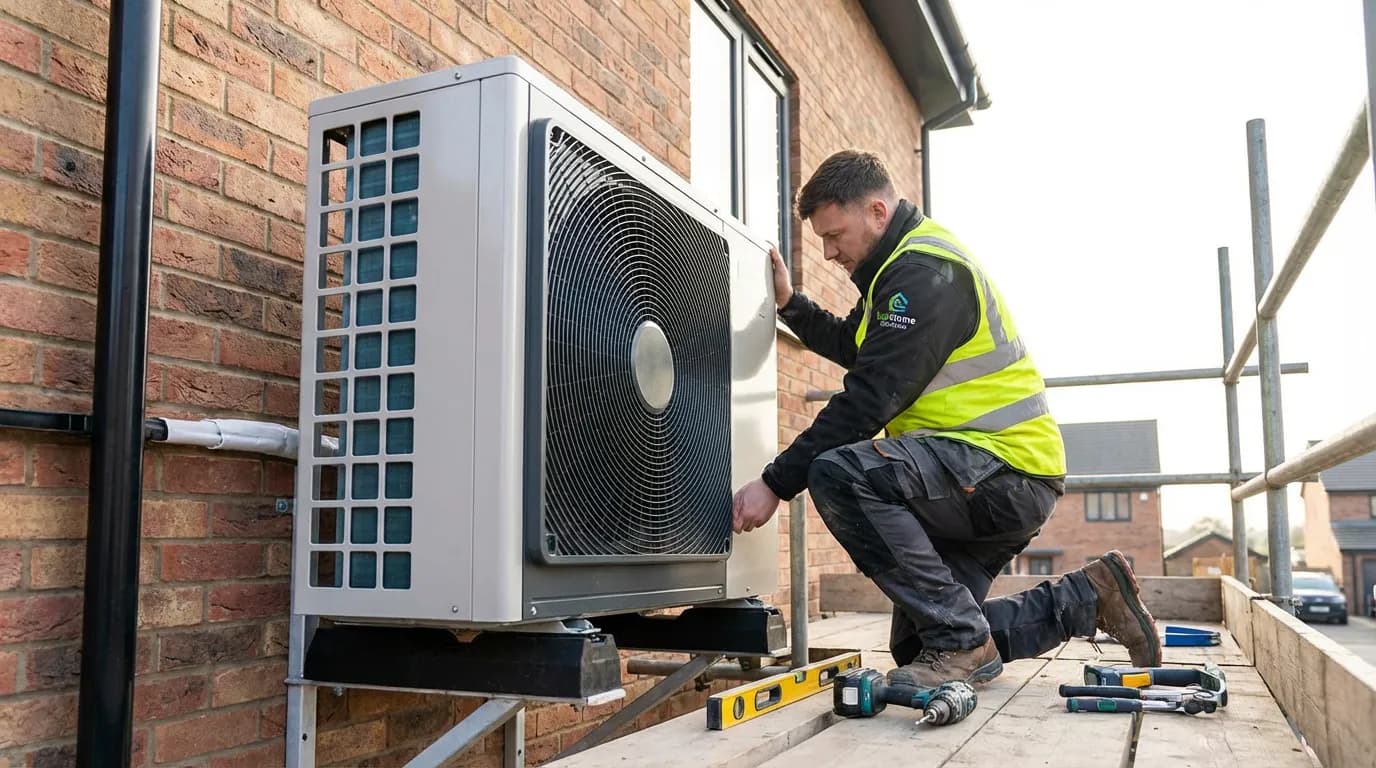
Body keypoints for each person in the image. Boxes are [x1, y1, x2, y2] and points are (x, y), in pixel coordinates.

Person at [730, 149, 1160, 688]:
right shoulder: (895, 273)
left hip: (999, 471)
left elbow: (868, 400)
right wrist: (792, 305)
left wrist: (774, 484)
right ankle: (1089, 596)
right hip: (971, 479)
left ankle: (963, 641)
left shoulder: (923, 275)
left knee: (841, 473)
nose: (828, 251)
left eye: (835, 234)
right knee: (918, 644)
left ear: (877, 212)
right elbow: (858, 347)